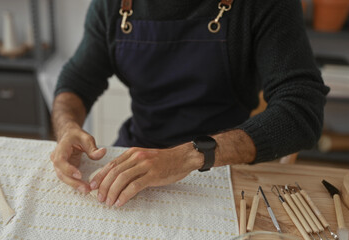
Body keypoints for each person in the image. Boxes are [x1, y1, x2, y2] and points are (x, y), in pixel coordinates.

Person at [50, 0, 329, 208]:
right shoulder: (114, 5)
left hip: (223, 168)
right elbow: (76, 81)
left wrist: (189, 156)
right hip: (137, 153)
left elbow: (302, 108)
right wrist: (67, 128)